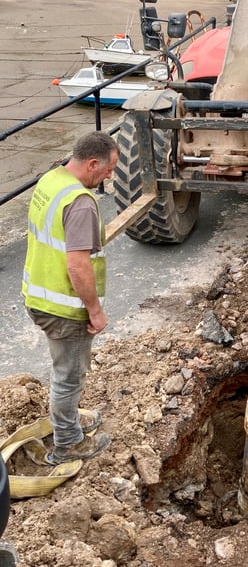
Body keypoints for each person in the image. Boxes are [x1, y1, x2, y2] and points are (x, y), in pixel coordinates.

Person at [22, 131, 120, 464]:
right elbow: (77, 265)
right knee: (69, 375)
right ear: (92, 163)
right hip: (64, 306)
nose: (109, 176)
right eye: (108, 170)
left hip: (38, 293)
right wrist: (95, 310)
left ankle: (69, 419)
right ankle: (67, 443)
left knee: (66, 370)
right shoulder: (80, 204)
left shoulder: (52, 179)